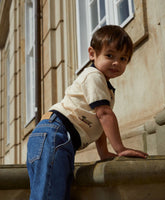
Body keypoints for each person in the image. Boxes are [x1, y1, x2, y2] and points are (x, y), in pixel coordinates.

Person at [26, 25, 148, 200]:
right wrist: (120, 148)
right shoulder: (94, 76)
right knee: (50, 195)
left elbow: (99, 125)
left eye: (123, 58)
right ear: (92, 54)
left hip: (53, 136)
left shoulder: (105, 87)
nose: (116, 63)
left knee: (50, 192)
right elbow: (104, 115)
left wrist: (104, 153)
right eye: (110, 55)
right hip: (55, 134)